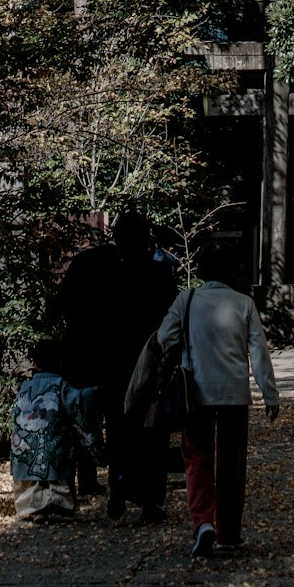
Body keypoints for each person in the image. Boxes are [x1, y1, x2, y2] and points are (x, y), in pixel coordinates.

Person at [56, 208, 178, 523]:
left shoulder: (93, 268)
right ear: (145, 238)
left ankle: (119, 488)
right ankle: (150, 500)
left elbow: (67, 307)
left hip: (109, 364)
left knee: (119, 427)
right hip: (148, 364)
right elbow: (170, 321)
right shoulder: (158, 275)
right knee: (151, 433)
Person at [154, 266, 280, 559]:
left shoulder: (186, 301)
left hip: (196, 392)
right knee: (231, 464)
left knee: (197, 457)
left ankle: (203, 522)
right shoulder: (243, 303)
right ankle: (229, 534)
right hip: (234, 393)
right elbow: (259, 352)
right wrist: (270, 394)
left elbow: (164, 338)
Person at [9, 339, 99, 522]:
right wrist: (92, 392)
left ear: (36, 363)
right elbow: (77, 403)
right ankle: (58, 505)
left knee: (31, 471)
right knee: (55, 468)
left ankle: (33, 508)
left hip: (26, 441)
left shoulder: (25, 386)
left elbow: (15, 415)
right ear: (60, 362)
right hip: (52, 440)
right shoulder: (60, 384)